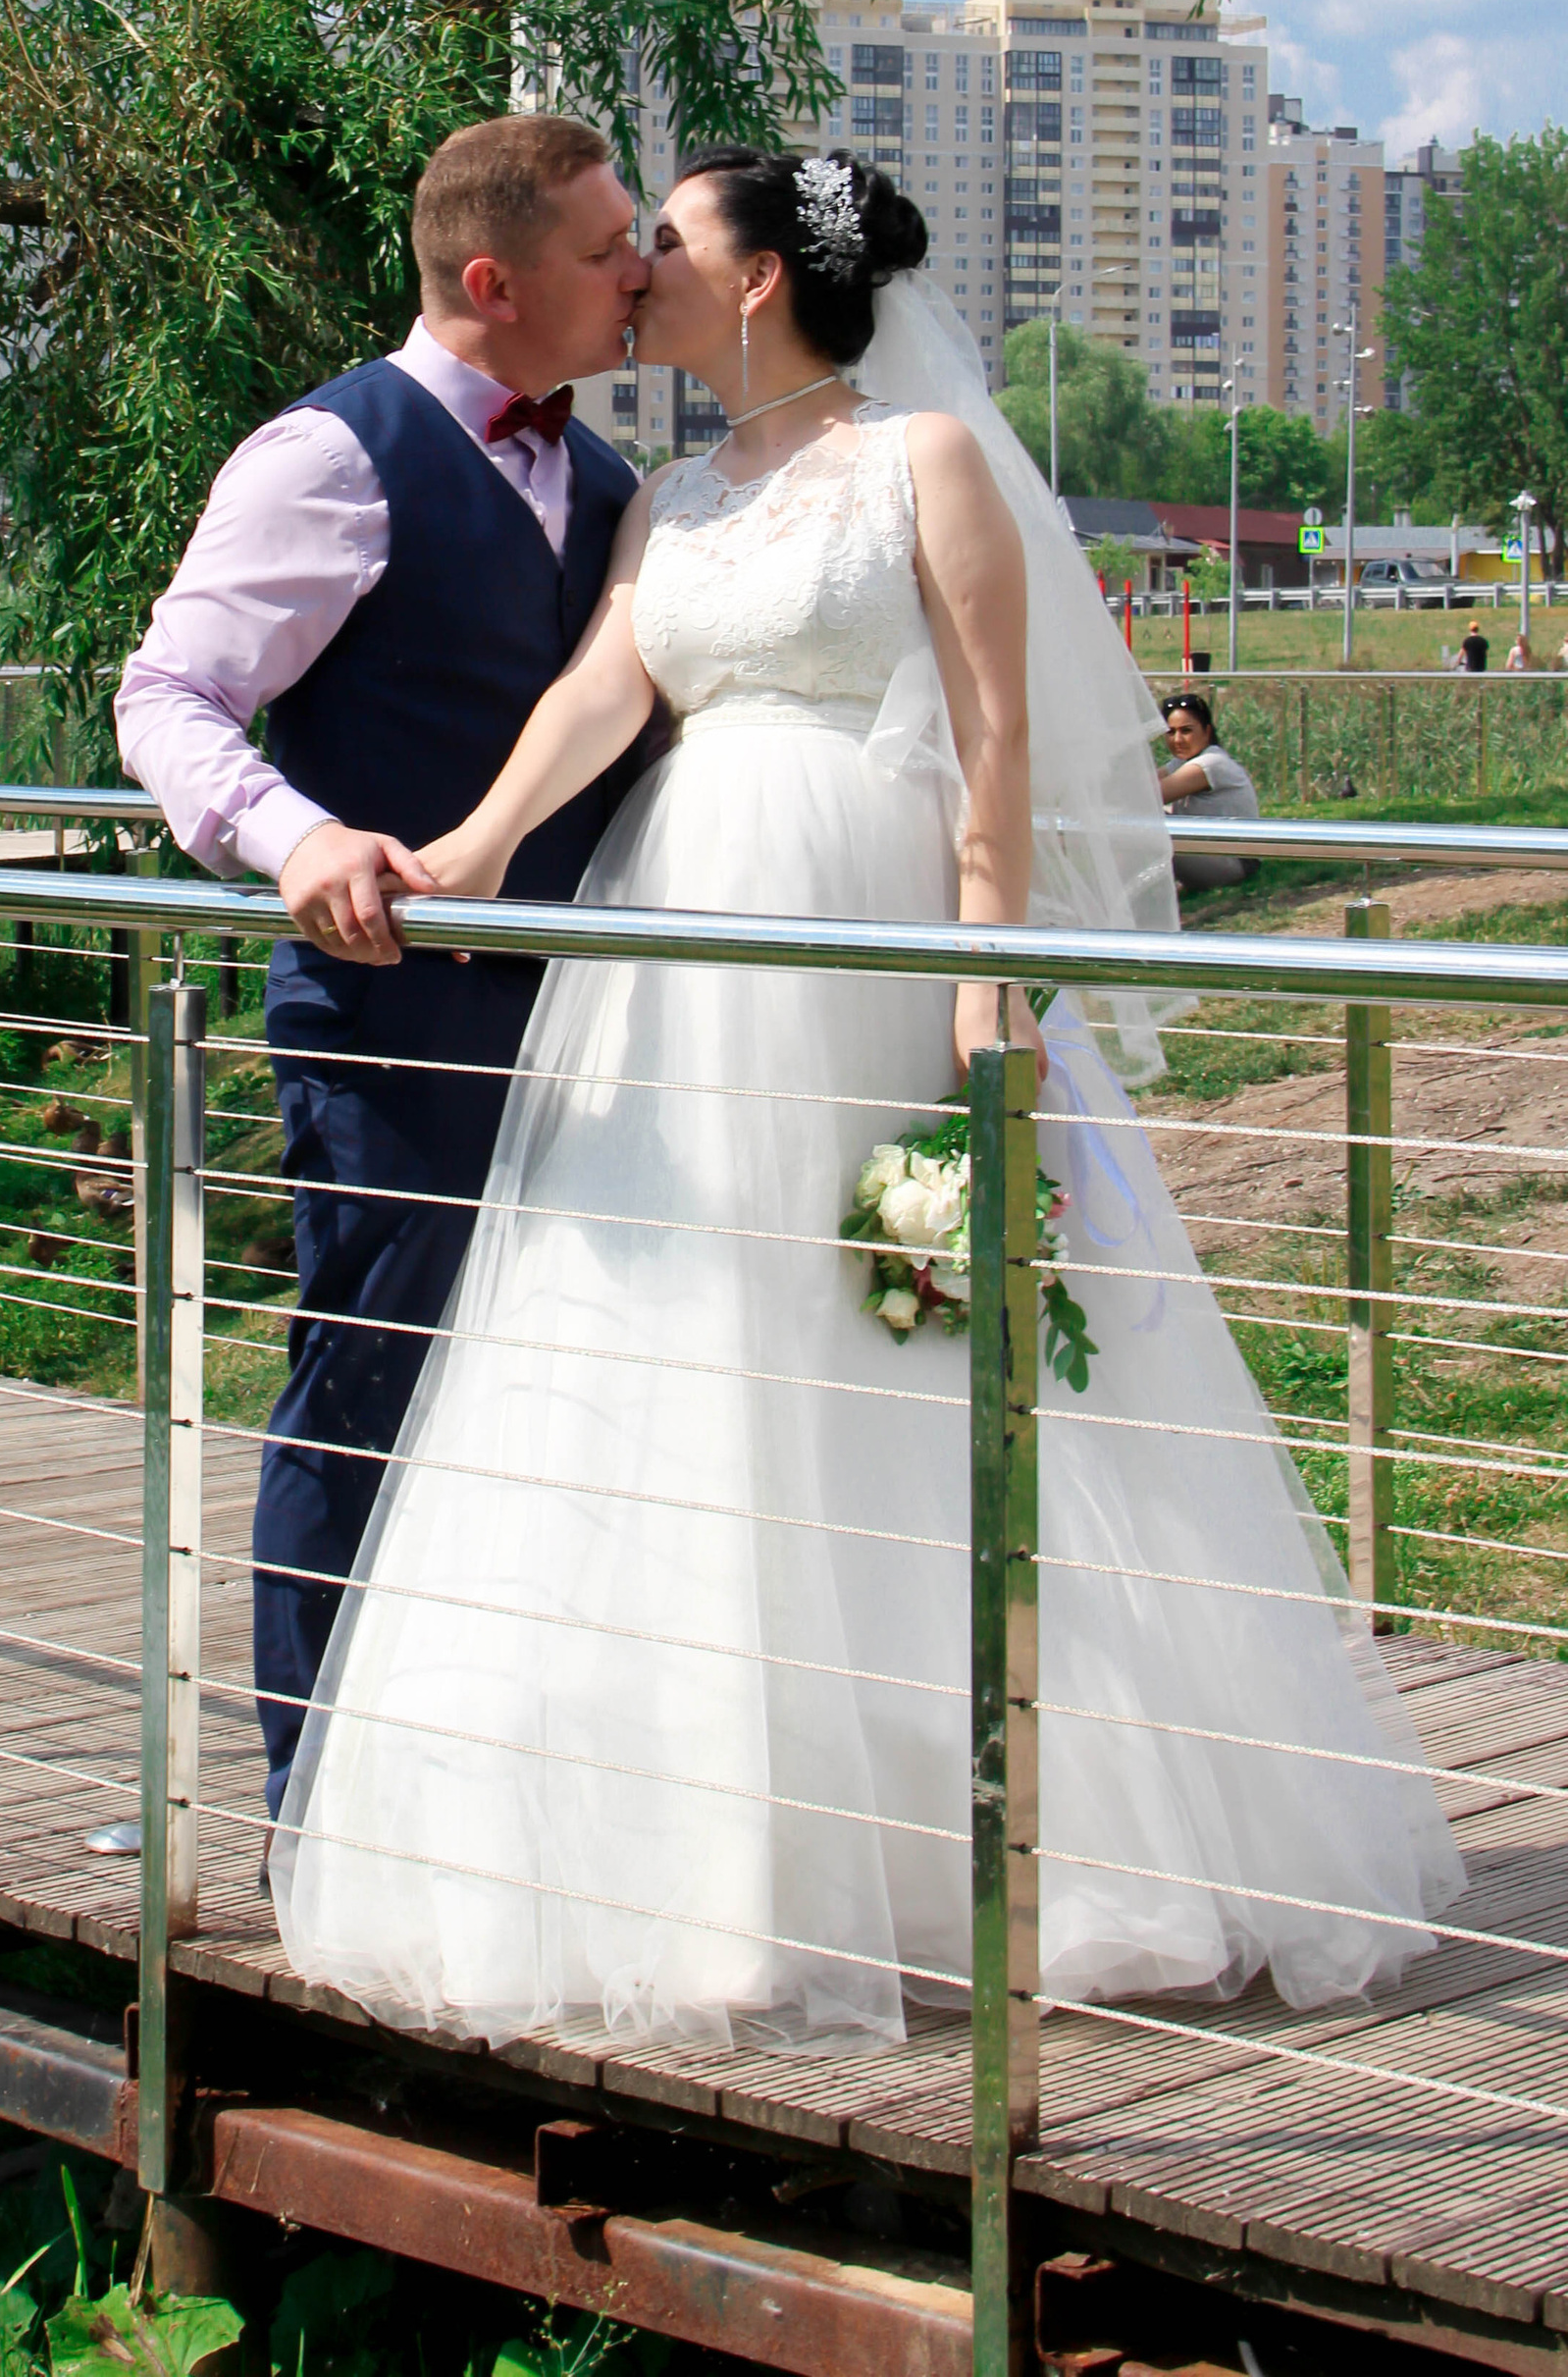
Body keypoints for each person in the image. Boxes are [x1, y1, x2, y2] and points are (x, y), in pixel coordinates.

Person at [272, 147, 1460, 2051]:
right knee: (681, 1367)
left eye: (666, 237)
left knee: (896, 1362)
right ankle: (725, 1882)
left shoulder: (927, 468)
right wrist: (476, 842)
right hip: (676, 974)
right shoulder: (667, 496)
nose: (635, 264)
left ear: (755, 283)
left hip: (868, 957)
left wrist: (983, 1003)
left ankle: (1007, 1853)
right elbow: (600, 695)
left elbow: (992, 750)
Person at [115, 114, 652, 1813]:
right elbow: (163, 701)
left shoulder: (621, 487)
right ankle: (312, 1810)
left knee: (561, 1412)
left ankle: (499, 1797)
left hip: (599, 1033)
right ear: (493, 281)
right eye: (602, 250)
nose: (638, 273)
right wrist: (300, 841)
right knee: (371, 1378)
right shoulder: (330, 457)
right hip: (395, 1021)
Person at [1159, 688, 1261, 889]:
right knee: (1137, 819)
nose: (1177, 740)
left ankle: (1120, 901)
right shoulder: (1183, 762)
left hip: (1234, 863)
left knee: (1144, 822)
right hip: (1212, 853)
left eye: (1186, 731)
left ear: (1207, 732)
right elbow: (1142, 783)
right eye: (1171, 732)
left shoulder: (1210, 763)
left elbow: (1147, 796)